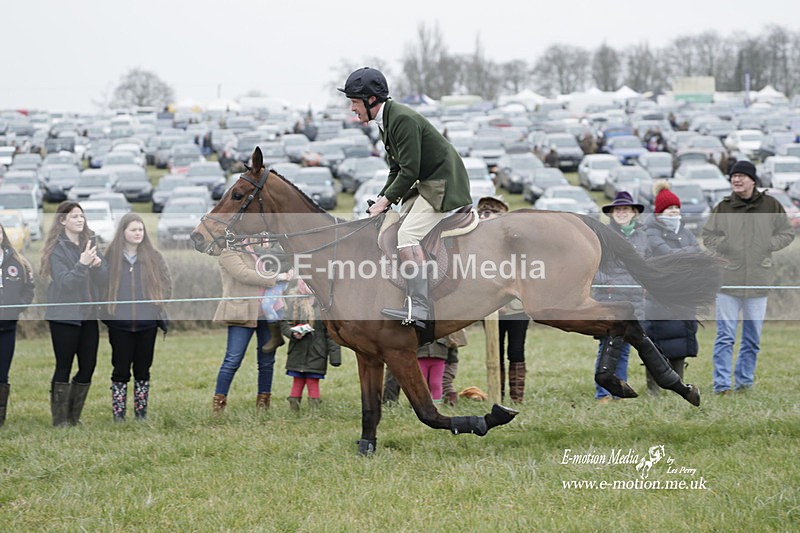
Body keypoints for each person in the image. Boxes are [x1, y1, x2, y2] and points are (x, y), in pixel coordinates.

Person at [340, 67, 472, 331]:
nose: (352, 109)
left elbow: (410, 171)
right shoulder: (386, 122)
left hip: (441, 183)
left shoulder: (402, 119)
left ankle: (421, 306)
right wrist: (380, 199)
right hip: (425, 183)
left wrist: (386, 201)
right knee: (395, 228)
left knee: (407, 236)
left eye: (355, 102)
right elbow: (395, 170)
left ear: (371, 100)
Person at [702, 160, 794, 394]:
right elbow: (708, 237)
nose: (736, 180)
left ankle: (744, 383)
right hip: (728, 283)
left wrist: (768, 245)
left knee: (752, 339)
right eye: (733, 176)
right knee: (725, 337)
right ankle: (722, 386)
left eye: (742, 176)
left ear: (753, 180)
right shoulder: (723, 207)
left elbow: (787, 232)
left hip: (758, 281)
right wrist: (725, 245)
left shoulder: (771, 205)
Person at [40, 201, 108, 426]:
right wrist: (82, 264)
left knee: (88, 365)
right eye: (74, 216)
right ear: (62, 221)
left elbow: (104, 279)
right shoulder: (56, 250)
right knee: (64, 365)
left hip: (88, 315)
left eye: (81, 216)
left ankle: (73, 416)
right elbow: (65, 283)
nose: (80, 220)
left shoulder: (91, 242)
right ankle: (60, 420)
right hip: (64, 316)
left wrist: (97, 266)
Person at [102, 213, 172, 421]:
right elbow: (100, 285)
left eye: (140, 230)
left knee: (143, 369)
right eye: (133, 229)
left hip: (146, 325)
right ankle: (118, 413)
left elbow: (166, 283)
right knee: (120, 368)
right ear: (123, 232)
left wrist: (156, 306)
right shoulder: (111, 256)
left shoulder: (154, 256)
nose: (137, 233)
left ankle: (141, 413)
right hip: (120, 326)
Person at [212, 240, 290, 414]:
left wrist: (288, 269)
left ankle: (263, 404)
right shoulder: (229, 252)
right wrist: (276, 277)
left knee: (267, 361)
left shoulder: (262, 246)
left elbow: (282, 260)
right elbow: (244, 274)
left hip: (267, 314)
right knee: (232, 360)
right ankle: (219, 405)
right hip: (242, 313)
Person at [642, 182, 703, 396]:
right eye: (669, 208)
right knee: (655, 346)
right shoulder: (651, 233)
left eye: (676, 208)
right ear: (660, 212)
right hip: (659, 298)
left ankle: (678, 388)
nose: (674, 211)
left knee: (679, 346)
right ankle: (653, 391)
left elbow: (698, 256)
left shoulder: (686, 232)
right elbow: (667, 256)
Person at [593, 191, 649, 404]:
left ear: (634, 212)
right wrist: (607, 282)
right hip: (609, 299)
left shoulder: (644, 236)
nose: (622, 213)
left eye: (625, 209)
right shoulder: (604, 235)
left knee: (624, 347)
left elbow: (649, 263)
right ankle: (603, 393)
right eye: (618, 209)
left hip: (634, 299)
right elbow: (593, 265)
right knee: (606, 346)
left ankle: (619, 391)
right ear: (612, 213)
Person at [477, 196, 530, 403]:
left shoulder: (514, 243)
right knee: (494, 352)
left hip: (516, 307)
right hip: (489, 308)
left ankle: (517, 398)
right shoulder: (475, 243)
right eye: (481, 213)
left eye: (489, 213)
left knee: (516, 350)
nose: (484, 216)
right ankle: (496, 394)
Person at [281, 279, 341, 411]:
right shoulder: (294, 304)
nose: (305, 285)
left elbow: (330, 334)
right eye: (302, 283)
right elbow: (284, 323)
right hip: (297, 352)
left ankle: (314, 410)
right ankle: (293, 409)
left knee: (312, 381)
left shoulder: (324, 306)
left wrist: (335, 356)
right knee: (297, 380)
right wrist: (293, 333)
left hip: (317, 353)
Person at [0, 223, 35, 427]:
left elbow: (29, 289)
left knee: (2, 373)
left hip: (7, 327)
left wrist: (17, 307)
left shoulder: (18, 261)